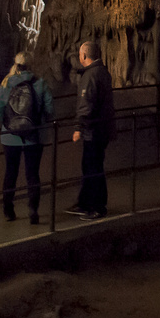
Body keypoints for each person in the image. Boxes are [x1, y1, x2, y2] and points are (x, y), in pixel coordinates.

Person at [0, 52, 55, 224]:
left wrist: (9, 123)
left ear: (16, 65)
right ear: (32, 65)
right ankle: (33, 211)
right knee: (32, 174)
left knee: (11, 172)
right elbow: (49, 109)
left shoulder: (7, 84)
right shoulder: (41, 84)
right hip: (34, 136)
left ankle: (8, 211)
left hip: (10, 138)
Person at [68, 40, 116, 219]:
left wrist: (79, 127)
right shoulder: (102, 71)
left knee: (93, 167)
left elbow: (86, 103)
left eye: (80, 54)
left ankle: (97, 206)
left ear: (84, 56)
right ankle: (85, 202)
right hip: (101, 128)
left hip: (94, 129)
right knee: (90, 165)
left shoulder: (91, 76)